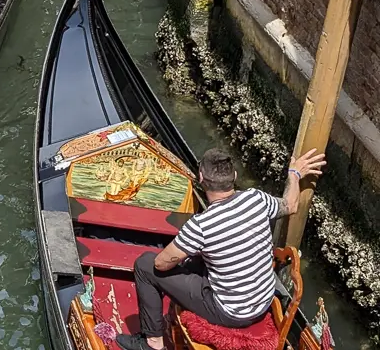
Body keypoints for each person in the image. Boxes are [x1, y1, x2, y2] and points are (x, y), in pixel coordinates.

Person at [113, 148, 328, 350]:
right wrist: (294, 174)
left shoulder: (201, 225)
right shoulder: (257, 199)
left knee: (144, 265)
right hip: (263, 303)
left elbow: (160, 263)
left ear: (201, 179)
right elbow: (290, 205)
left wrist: (190, 251)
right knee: (196, 261)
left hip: (229, 312)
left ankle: (152, 343)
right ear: (234, 176)